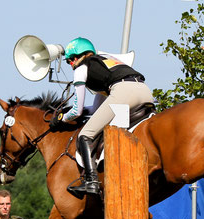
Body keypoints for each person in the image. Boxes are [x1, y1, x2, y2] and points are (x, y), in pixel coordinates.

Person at [49, 37, 155, 197]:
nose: (70, 64)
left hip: (123, 93)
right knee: (118, 137)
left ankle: (91, 181)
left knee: (85, 135)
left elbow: (77, 111)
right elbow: (95, 109)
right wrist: (70, 110)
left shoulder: (81, 68)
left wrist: (62, 118)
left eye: (71, 60)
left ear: (78, 56)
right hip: (145, 91)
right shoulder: (106, 62)